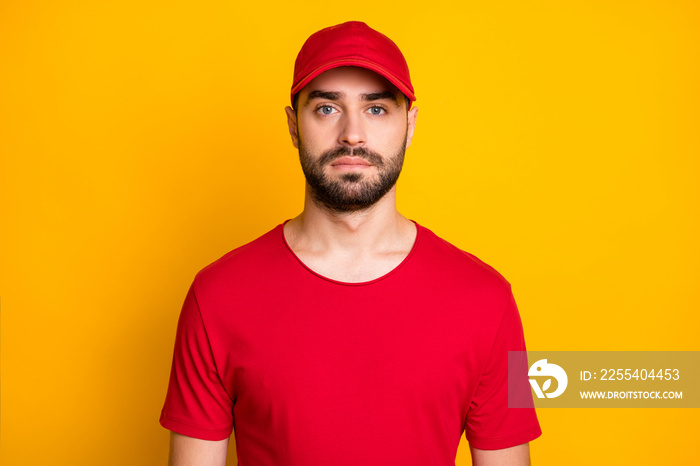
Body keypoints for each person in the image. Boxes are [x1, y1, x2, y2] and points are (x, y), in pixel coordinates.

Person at [160, 21, 541, 466]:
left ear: (411, 125)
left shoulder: (488, 300)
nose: (352, 134)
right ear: (292, 125)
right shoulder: (217, 297)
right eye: (326, 108)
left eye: (377, 109)